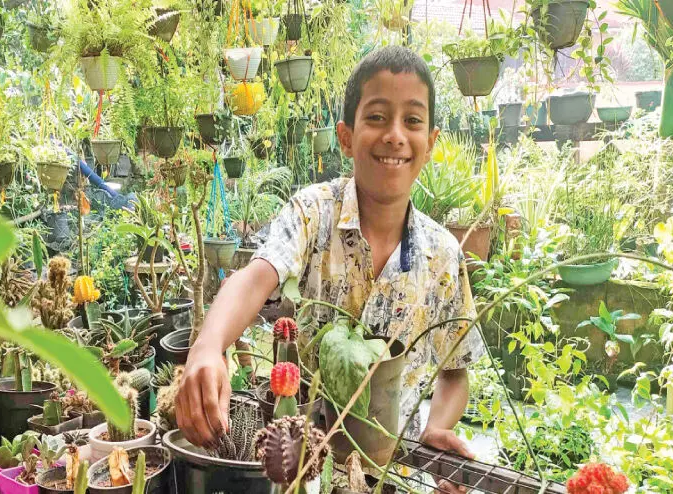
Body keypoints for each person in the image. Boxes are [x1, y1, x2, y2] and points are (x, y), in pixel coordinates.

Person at [176, 45, 484, 493]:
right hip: (305, 469)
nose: (395, 135)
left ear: (431, 141)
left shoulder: (443, 254)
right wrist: (207, 346)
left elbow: (456, 369)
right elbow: (256, 275)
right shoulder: (313, 213)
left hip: (399, 474)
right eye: (377, 117)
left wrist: (436, 427)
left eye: (412, 120)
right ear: (345, 136)